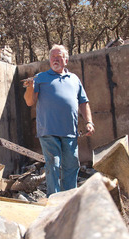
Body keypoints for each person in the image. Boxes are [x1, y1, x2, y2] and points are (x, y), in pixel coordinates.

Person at [23, 44, 94, 196]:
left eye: (59, 57)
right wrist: (30, 87)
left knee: (71, 165)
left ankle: (68, 200)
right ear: (49, 60)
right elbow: (30, 102)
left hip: (70, 131)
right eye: (52, 57)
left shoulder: (74, 79)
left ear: (66, 60)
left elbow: (83, 102)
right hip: (48, 130)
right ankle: (54, 201)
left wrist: (89, 122)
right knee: (53, 165)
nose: (55, 59)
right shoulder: (40, 78)